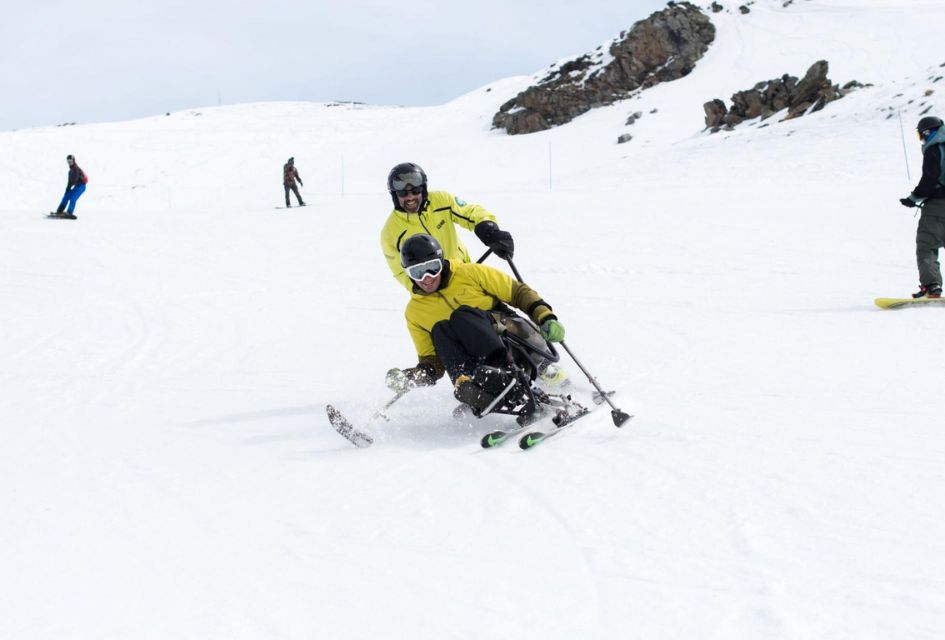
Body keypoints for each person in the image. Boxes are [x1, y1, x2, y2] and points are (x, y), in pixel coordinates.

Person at [386, 234, 566, 413]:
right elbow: (433, 363)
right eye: (417, 272)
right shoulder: (415, 312)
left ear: (441, 262)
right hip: (481, 369)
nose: (426, 277)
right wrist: (409, 377)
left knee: (461, 316)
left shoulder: (469, 272)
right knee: (440, 329)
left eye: (432, 268)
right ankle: (472, 388)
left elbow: (518, 292)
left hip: (520, 342)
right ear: (408, 274)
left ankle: (504, 374)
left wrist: (545, 316)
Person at [380, 162, 515, 292]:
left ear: (423, 189)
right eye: (403, 193)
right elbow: (399, 272)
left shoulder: (441, 201)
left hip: (463, 273)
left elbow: (470, 212)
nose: (410, 197)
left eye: (416, 190)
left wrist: (489, 230)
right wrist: (423, 289)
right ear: (394, 195)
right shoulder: (390, 232)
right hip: (432, 290)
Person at [900, 116, 945, 298]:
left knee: (927, 246)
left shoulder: (934, 150)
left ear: (928, 132)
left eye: (921, 135)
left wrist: (913, 198)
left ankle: (932, 287)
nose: (922, 140)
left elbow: (929, 179)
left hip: (937, 207)